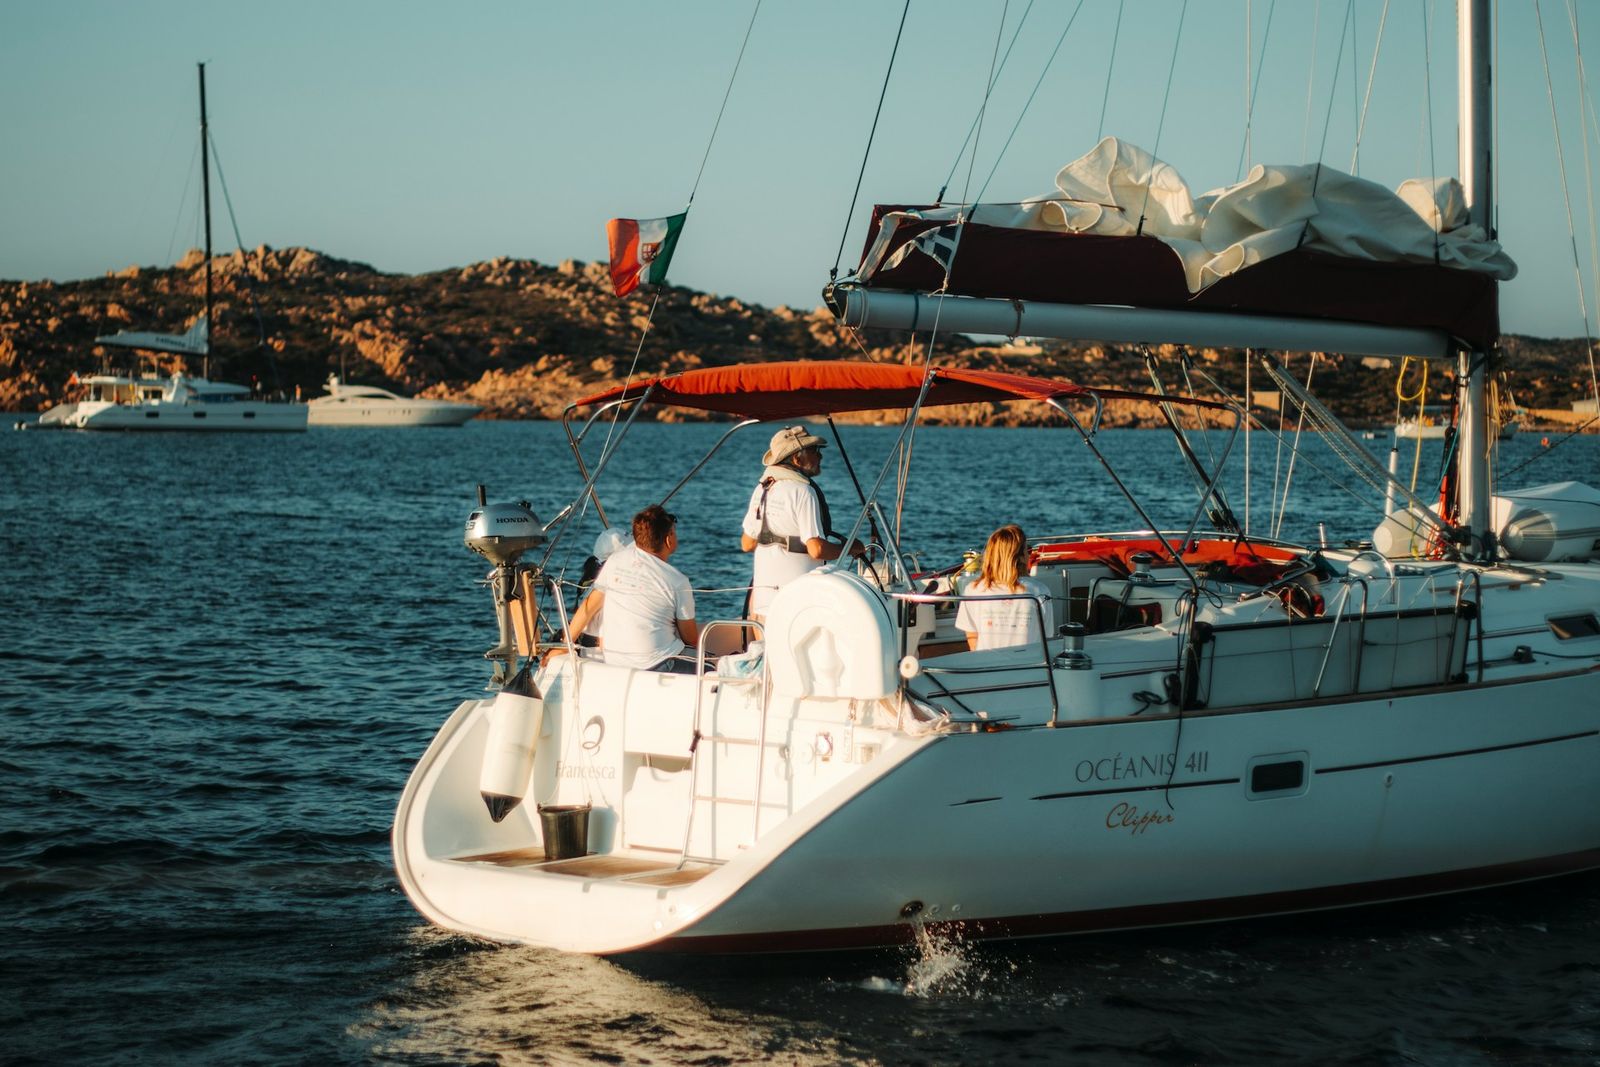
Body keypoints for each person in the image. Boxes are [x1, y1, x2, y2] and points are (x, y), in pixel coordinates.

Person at [547, 505, 701, 674]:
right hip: (658, 663)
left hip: (614, 660)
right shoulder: (678, 581)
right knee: (713, 668)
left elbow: (588, 606)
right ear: (668, 540)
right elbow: (690, 638)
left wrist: (564, 645)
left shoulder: (615, 561)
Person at [740, 424, 863, 617]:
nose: (820, 456)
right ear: (797, 458)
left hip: (763, 601)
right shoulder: (802, 491)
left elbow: (747, 543)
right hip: (797, 602)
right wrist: (850, 549)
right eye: (814, 450)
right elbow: (817, 549)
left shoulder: (762, 489)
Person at [955, 524, 1055, 651]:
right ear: (1020, 557)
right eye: (1026, 550)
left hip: (987, 666)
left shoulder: (972, 590)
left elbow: (972, 637)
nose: (1029, 554)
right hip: (1029, 666)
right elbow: (1046, 637)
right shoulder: (1040, 590)